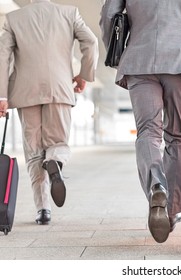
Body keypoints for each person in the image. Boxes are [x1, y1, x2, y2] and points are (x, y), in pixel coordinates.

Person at [100, 0, 181, 243]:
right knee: (176, 137)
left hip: (139, 59)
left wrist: (116, 51)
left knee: (148, 132)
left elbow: (108, 14)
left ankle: (157, 185)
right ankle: (172, 210)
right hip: (180, 60)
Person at [0, 0, 99, 225]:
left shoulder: (14, 19)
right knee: (58, 142)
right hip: (60, 89)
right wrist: (83, 74)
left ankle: (43, 209)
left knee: (34, 151)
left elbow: (2, 56)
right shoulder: (69, 13)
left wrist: (2, 96)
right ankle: (55, 160)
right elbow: (91, 41)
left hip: (25, 93)